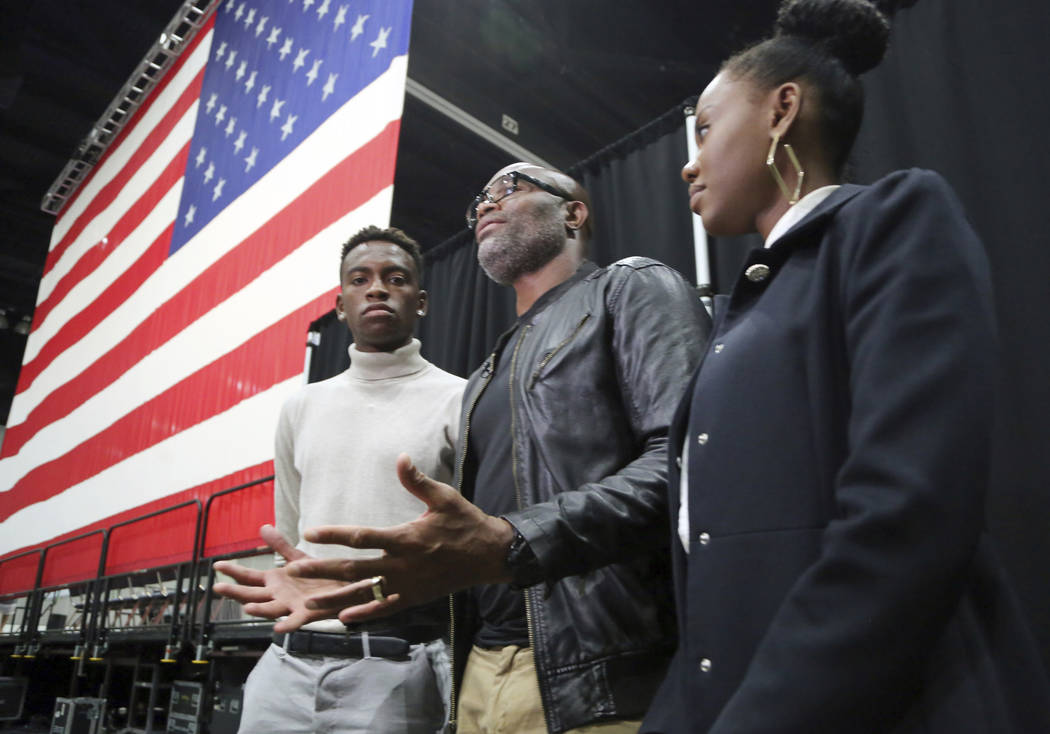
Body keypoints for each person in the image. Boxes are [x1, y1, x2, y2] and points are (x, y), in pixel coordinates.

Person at [640, 0, 1050, 732]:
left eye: (705, 128)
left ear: (781, 109)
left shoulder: (891, 219)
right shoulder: (741, 314)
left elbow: (908, 516)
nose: (688, 160)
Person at [218, 163, 711, 733]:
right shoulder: (488, 373)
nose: (485, 206)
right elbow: (457, 549)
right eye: (478, 199)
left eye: (509, 188)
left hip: (586, 669)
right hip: (481, 668)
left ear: (573, 213)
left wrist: (510, 542)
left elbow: (686, 463)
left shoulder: (628, 287)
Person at [217, 225, 465, 734]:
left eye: (394, 279)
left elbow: (469, 542)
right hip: (284, 667)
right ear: (339, 303)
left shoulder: (460, 399)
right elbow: (292, 534)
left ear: (420, 303)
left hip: (399, 667)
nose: (376, 289)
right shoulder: (300, 407)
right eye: (361, 279)